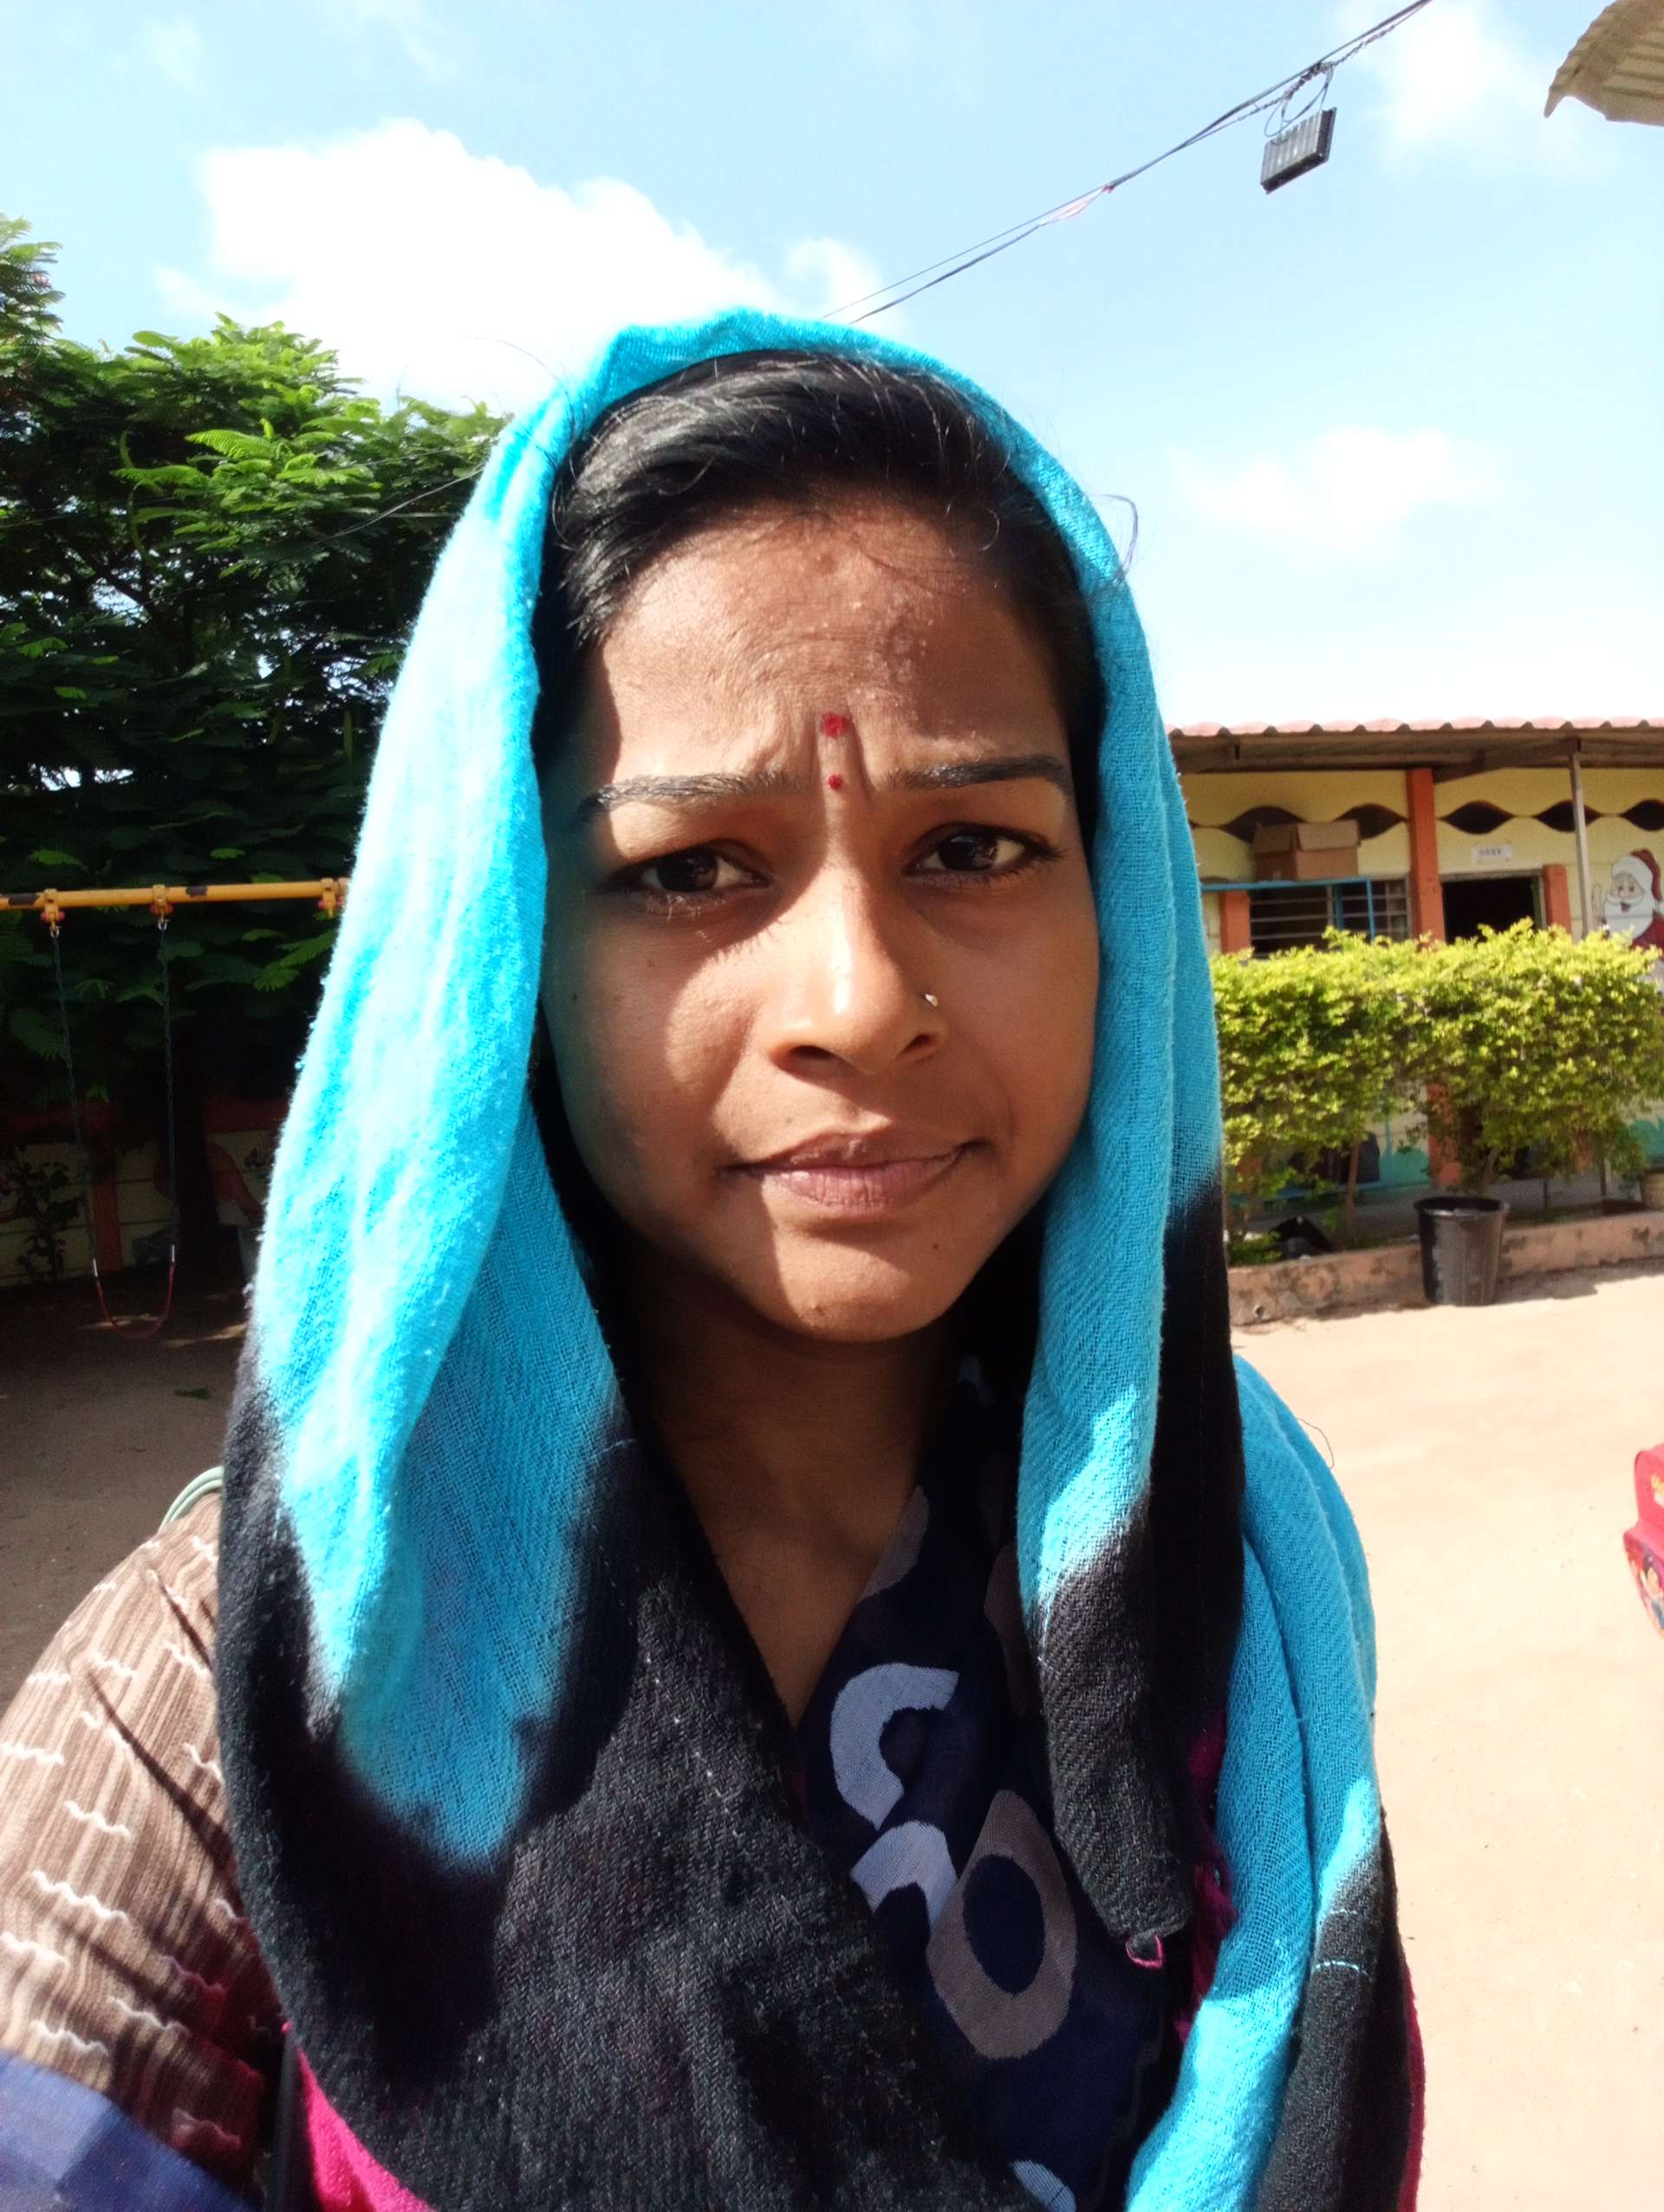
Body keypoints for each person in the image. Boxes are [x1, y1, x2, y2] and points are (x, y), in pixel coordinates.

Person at [0, 317, 1422, 2211]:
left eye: (976, 844)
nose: (859, 1000)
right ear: (505, 940)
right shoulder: (247, 1672)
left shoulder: (1226, 1558)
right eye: (689, 870)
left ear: (1124, 902)